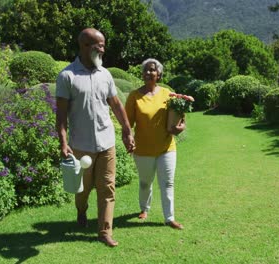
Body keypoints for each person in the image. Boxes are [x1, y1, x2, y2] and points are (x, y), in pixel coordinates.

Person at [55, 28, 135, 247]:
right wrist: (63, 142)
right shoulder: (67, 76)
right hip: (80, 145)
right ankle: (81, 210)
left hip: (106, 143)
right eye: (98, 45)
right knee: (82, 190)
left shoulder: (105, 74)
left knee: (108, 187)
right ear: (84, 46)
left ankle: (104, 231)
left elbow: (116, 105)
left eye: (103, 44)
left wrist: (127, 130)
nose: (102, 49)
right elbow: (61, 115)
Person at [125, 58, 185, 230]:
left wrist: (181, 126)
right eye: (146, 70)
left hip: (167, 148)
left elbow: (180, 117)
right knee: (145, 182)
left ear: (159, 74)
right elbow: (128, 124)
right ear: (142, 74)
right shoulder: (134, 96)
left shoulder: (168, 94)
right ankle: (144, 209)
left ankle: (169, 218)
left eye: (152, 70)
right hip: (143, 149)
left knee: (168, 183)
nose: (149, 73)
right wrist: (127, 138)